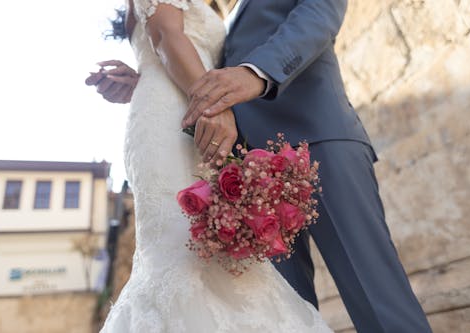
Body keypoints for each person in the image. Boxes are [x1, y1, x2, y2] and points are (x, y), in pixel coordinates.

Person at [89, 1, 433, 332]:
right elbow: (186, 55)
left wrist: (256, 74)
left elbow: (319, 14)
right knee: (278, 308)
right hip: (248, 174)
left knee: (376, 292)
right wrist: (150, 81)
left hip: (316, 137)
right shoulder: (224, 13)